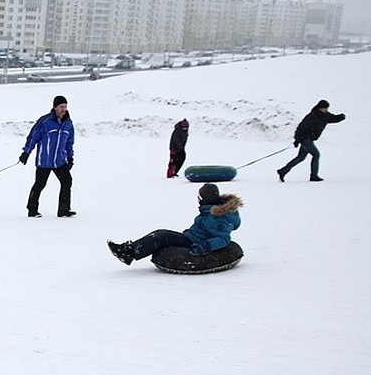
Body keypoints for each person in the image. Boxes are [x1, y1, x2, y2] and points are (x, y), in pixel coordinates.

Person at [106, 183, 242, 265]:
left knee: (160, 236)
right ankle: (130, 250)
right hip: (191, 237)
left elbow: (224, 238)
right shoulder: (213, 212)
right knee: (161, 235)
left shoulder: (215, 218)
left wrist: (205, 246)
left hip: (194, 243)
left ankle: (128, 253)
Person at [20, 95, 76, 218]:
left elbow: (69, 142)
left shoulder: (68, 123)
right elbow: (33, 136)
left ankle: (63, 210)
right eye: (61, 106)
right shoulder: (45, 121)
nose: (63, 109)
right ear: (55, 107)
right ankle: (32, 210)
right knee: (40, 184)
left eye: (65, 107)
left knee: (67, 181)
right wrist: (26, 152)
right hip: (44, 161)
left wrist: (70, 158)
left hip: (59, 161)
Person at [277, 99, 346, 182]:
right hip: (305, 139)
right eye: (324, 108)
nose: (326, 110)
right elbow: (301, 127)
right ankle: (314, 176)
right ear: (320, 108)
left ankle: (283, 171)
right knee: (316, 155)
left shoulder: (325, 115)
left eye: (327, 108)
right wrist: (297, 139)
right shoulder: (312, 116)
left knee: (301, 157)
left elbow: (333, 118)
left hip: (309, 139)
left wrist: (340, 117)